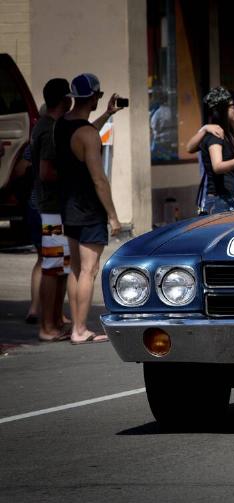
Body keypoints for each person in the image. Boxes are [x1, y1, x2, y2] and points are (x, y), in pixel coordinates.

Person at [55, 73, 122, 344]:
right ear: (93, 96)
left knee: (75, 268)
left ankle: (77, 327)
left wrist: (106, 115)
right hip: (88, 209)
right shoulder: (88, 135)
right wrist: (113, 217)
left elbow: (84, 133)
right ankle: (80, 330)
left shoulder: (63, 125)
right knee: (89, 270)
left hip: (68, 207)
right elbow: (99, 178)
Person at [31, 79, 73, 341]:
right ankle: (48, 326)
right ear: (65, 99)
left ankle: (55, 322)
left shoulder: (49, 125)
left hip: (55, 207)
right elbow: (47, 172)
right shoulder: (49, 129)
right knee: (53, 266)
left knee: (60, 267)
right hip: (51, 207)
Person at [191, 87, 234, 213]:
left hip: (230, 198)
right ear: (223, 109)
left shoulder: (229, 135)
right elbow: (217, 166)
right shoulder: (215, 135)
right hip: (219, 200)